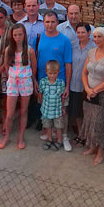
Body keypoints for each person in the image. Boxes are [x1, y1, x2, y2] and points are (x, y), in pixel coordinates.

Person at [81, 27, 104, 165]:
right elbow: (84, 72)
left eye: (100, 37)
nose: (97, 39)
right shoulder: (91, 52)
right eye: (95, 37)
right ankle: (92, 145)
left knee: (100, 122)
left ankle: (101, 150)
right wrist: (87, 88)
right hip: (90, 92)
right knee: (89, 119)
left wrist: (95, 90)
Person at [0, 24, 37, 150]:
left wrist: (31, 78)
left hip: (25, 81)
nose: (18, 37)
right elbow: (6, 66)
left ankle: (20, 137)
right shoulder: (9, 50)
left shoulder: (29, 51)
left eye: (20, 34)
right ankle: (6, 136)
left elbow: (33, 67)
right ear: (12, 36)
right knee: (9, 113)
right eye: (15, 35)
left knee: (24, 111)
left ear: (24, 35)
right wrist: (12, 76)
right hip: (13, 81)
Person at [36, 11, 72, 149]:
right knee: (46, 109)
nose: (50, 25)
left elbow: (68, 63)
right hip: (43, 82)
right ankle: (49, 134)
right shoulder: (39, 38)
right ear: (43, 23)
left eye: (52, 22)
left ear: (57, 23)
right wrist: (35, 80)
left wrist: (67, 86)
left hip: (60, 83)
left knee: (62, 111)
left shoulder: (64, 40)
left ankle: (63, 137)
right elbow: (35, 60)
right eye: (47, 22)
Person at [65, 22, 95, 143]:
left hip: (86, 85)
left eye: (83, 32)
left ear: (89, 33)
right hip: (72, 83)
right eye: (78, 32)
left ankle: (84, 136)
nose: (80, 35)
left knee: (85, 112)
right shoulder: (72, 45)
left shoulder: (93, 48)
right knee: (75, 111)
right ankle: (80, 134)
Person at [38, 60, 66, 151]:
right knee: (48, 125)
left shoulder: (60, 83)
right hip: (46, 109)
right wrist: (42, 105)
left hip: (57, 110)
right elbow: (40, 94)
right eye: (50, 73)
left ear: (58, 72)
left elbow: (62, 96)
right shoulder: (43, 82)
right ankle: (49, 139)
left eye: (55, 73)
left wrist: (62, 107)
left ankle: (59, 141)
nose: (52, 75)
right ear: (46, 72)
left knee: (58, 126)